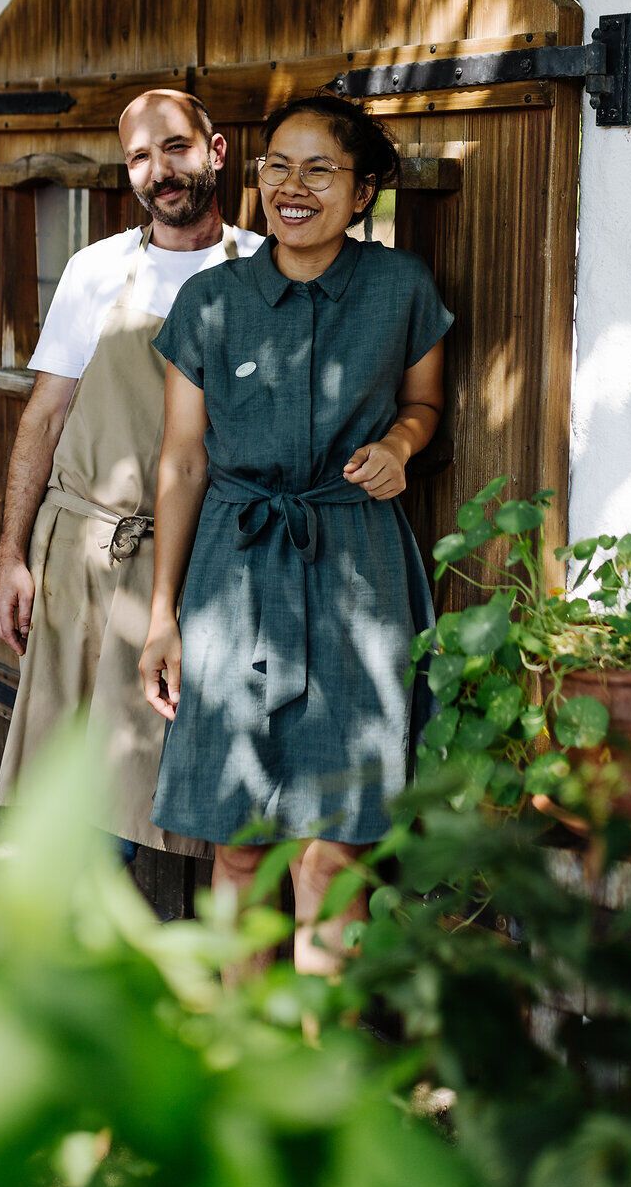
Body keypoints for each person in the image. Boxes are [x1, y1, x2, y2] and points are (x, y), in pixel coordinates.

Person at [138, 94, 451, 971]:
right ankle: (244, 1055)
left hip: (359, 568)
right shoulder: (210, 300)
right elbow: (182, 462)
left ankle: (317, 1056)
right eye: (277, 165)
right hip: (233, 574)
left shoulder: (403, 289)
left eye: (319, 169)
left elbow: (425, 405)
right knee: (238, 841)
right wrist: (162, 616)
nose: (291, 186)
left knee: (336, 848)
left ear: (361, 193)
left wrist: (399, 442)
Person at [0, 89, 263, 860]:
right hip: (85, 551)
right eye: (140, 157)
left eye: (174, 147)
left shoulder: (264, 273)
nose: (158, 171)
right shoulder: (95, 270)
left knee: (178, 792)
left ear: (215, 153)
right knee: (75, 802)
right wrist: (13, 554)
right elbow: (42, 418)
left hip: (201, 564)